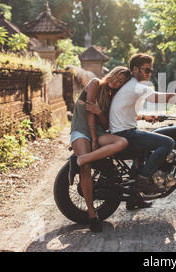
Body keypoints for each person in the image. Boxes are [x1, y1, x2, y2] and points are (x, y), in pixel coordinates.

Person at [100, 53, 176, 194]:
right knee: (168, 143)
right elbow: (166, 97)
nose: (149, 73)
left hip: (122, 132)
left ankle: (134, 198)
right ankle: (142, 179)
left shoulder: (130, 86)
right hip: (126, 134)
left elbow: (126, 110)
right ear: (135, 69)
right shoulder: (136, 86)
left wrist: (145, 117)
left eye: (151, 70)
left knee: (150, 140)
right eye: (146, 70)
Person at [68, 66, 131, 232]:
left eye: (121, 82)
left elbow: (105, 124)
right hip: (81, 130)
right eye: (117, 77)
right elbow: (89, 114)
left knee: (122, 142)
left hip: (100, 132)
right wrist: (94, 140)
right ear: (112, 73)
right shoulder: (95, 83)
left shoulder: (111, 96)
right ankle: (92, 214)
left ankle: (80, 159)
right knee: (86, 168)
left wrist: (100, 112)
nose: (117, 82)